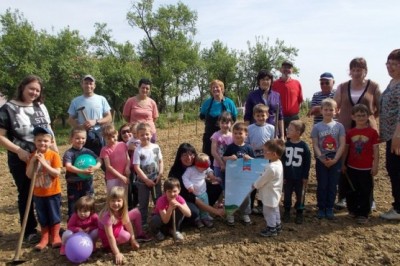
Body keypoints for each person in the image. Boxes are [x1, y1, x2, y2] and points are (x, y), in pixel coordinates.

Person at [0, 75, 58, 243]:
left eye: (37, 90)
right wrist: (19, 151)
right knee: (26, 192)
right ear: (23, 88)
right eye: (31, 88)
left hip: (44, 156)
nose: (34, 92)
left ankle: (49, 227)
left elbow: (49, 132)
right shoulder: (8, 109)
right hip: (22, 157)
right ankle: (29, 230)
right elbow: (1, 136)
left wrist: (54, 152)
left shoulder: (41, 106)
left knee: (46, 190)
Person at [333, 58, 381, 209]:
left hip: (367, 132)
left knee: (365, 163)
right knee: (344, 162)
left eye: (359, 69)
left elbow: (380, 107)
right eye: (353, 70)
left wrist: (369, 120)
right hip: (346, 130)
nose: (356, 73)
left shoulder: (373, 86)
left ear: (365, 71)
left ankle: (368, 199)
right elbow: (335, 106)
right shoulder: (342, 86)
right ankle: (344, 197)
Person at [168, 143, 225, 229]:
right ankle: (195, 218)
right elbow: (190, 196)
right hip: (185, 198)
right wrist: (215, 211)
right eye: (185, 155)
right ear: (179, 157)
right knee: (194, 212)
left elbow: (207, 168)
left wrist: (211, 175)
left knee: (216, 188)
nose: (189, 158)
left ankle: (204, 212)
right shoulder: (176, 172)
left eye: (191, 154)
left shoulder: (197, 163)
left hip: (200, 192)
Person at [25, 127, 62, 250]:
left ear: (51, 142)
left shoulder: (53, 155)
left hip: (53, 192)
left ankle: (55, 236)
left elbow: (56, 173)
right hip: (38, 193)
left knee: (54, 215)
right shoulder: (32, 156)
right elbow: (29, 175)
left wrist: (44, 163)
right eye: (39, 140)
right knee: (42, 216)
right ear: (35, 142)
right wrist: (32, 162)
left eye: (45, 140)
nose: (42, 143)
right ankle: (45, 237)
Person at [342, 104, 379, 224]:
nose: (361, 118)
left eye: (363, 115)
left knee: (365, 190)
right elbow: (346, 149)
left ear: (368, 116)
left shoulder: (372, 133)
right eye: (358, 115)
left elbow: (376, 150)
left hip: (366, 167)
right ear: (353, 117)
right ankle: (353, 209)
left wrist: (375, 165)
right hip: (352, 166)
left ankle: (363, 213)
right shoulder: (350, 133)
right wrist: (343, 163)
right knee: (352, 189)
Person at [311, 98, 346, 220]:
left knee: (332, 185)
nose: (328, 112)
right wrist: (321, 158)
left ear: (336, 111)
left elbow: (342, 144)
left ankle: (330, 207)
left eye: (331, 110)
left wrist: (336, 159)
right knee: (322, 184)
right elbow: (315, 144)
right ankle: (321, 207)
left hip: (335, 159)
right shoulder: (317, 127)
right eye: (325, 109)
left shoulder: (339, 126)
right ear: (321, 111)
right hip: (322, 159)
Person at [67, 74, 112, 156]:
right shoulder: (76, 101)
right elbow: (70, 119)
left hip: (99, 134)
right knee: (85, 160)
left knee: (102, 159)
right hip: (83, 136)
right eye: (86, 83)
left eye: (91, 83)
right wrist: (80, 127)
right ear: (82, 85)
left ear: (94, 86)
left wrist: (96, 121)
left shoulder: (101, 99)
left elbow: (109, 118)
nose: (88, 85)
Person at [63, 126, 102, 219]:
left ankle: (91, 223)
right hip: (74, 184)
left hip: (87, 183)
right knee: (73, 205)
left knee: (88, 203)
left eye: (83, 138)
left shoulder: (88, 151)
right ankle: (73, 225)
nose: (80, 140)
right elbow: (68, 166)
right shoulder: (69, 153)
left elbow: (99, 159)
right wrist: (82, 171)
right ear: (71, 139)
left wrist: (95, 167)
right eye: (77, 138)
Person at [379, 49, 400, 220]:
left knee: (396, 169)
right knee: (393, 169)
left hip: (397, 137)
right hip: (389, 135)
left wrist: (397, 136)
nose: (390, 67)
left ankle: (399, 208)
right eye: (389, 63)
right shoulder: (393, 82)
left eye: (395, 64)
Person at [98, 186, 140, 265]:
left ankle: (140, 235)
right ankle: (112, 247)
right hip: (106, 235)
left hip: (117, 225)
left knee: (136, 212)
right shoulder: (107, 216)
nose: (116, 203)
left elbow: (128, 224)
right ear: (108, 201)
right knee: (126, 236)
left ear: (123, 201)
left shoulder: (122, 210)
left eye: (118, 201)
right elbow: (110, 236)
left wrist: (133, 239)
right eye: (113, 201)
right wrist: (117, 253)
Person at [223, 122, 255, 226]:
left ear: (246, 135)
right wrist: (229, 158)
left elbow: (254, 162)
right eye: (235, 133)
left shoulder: (249, 148)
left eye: (240, 133)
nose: (237, 135)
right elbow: (224, 158)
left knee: (245, 196)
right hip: (232, 178)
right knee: (231, 195)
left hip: (244, 178)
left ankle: (245, 213)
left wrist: (249, 159)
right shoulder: (230, 147)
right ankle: (230, 214)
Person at [200, 79, 238, 165]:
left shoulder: (229, 102)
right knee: (208, 159)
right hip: (209, 137)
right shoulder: (207, 103)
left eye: (217, 87)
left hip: (225, 138)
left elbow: (234, 118)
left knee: (226, 157)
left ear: (222, 89)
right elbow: (202, 116)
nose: (215, 89)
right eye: (213, 87)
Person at [246, 104, 275, 214]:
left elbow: (273, 143)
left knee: (264, 183)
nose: (260, 118)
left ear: (267, 115)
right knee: (253, 183)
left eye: (263, 115)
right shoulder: (250, 128)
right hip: (253, 159)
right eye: (258, 115)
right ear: (254, 116)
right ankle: (250, 205)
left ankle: (262, 205)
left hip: (265, 160)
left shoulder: (271, 128)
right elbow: (247, 143)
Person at [132, 122, 164, 226]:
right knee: (143, 203)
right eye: (142, 135)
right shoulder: (138, 150)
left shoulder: (156, 147)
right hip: (143, 182)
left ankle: (160, 219)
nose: (145, 137)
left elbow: (160, 161)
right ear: (137, 136)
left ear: (151, 134)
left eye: (147, 134)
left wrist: (160, 173)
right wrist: (146, 180)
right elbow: (136, 167)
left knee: (158, 200)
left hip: (156, 179)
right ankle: (143, 223)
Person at [253, 139, 285, 237]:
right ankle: (277, 224)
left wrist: (255, 185)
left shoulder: (271, 168)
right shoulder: (278, 163)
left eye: (266, 151)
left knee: (268, 212)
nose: (264, 153)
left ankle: (271, 228)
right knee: (275, 209)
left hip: (269, 194)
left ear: (274, 154)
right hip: (275, 193)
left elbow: (263, 179)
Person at [281, 120, 311, 224]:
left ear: (298, 132)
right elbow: (282, 161)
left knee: (300, 195)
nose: (287, 130)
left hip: (299, 176)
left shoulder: (304, 146)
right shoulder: (285, 145)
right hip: (288, 176)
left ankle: (299, 212)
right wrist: (283, 175)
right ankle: (287, 211)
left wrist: (305, 177)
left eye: (290, 129)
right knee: (287, 195)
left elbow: (307, 163)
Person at [244, 69, 284, 138]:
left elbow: (280, 116)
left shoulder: (277, 95)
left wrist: (282, 135)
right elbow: (247, 116)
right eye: (262, 79)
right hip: (256, 132)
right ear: (259, 81)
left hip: (272, 132)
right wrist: (246, 133)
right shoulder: (252, 95)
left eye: (267, 79)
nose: (265, 81)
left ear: (271, 81)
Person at [182, 153, 215, 228]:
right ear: (197, 165)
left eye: (205, 168)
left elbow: (209, 169)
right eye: (203, 168)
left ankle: (205, 217)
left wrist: (211, 174)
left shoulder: (204, 168)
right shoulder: (191, 170)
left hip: (203, 193)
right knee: (196, 208)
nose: (204, 170)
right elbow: (185, 177)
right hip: (194, 195)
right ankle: (197, 220)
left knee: (205, 206)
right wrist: (189, 186)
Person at [272, 61, 303, 134]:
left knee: (293, 139)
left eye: (289, 68)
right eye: (284, 67)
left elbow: (299, 101)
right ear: (280, 69)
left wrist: (295, 113)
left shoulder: (297, 83)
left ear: (292, 70)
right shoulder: (274, 84)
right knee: (279, 140)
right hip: (279, 118)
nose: (286, 69)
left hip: (293, 118)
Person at [123, 78, 159, 143]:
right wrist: (135, 124)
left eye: (147, 88)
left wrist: (146, 125)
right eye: (143, 87)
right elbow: (126, 116)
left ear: (150, 90)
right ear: (139, 87)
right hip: (135, 134)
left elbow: (155, 118)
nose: (145, 90)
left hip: (149, 134)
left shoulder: (152, 102)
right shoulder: (130, 101)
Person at [100, 124, 130, 193]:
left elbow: (127, 158)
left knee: (124, 196)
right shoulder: (105, 150)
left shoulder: (122, 144)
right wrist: (121, 177)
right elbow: (108, 166)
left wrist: (127, 167)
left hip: (124, 175)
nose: (112, 140)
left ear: (117, 133)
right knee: (113, 196)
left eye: (113, 137)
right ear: (104, 138)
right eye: (108, 138)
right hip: (112, 178)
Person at [118, 123, 139, 209]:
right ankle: (129, 206)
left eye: (128, 131)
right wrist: (127, 148)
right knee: (128, 188)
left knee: (137, 186)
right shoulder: (119, 145)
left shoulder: (139, 141)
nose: (126, 134)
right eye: (123, 132)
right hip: (125, 171)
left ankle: (137, 204)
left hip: (138, 169)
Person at [210, 111, 233, 191]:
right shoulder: (216, 135)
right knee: (219, 184)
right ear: (218, 123)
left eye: (227, 123)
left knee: (230, 184)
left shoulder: (233, 136)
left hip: (231, 165)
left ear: (231, 123)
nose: (225, 125)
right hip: (218, 165)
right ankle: (219, 202)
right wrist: (222, 164)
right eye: (222, 123)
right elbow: (213, 152)